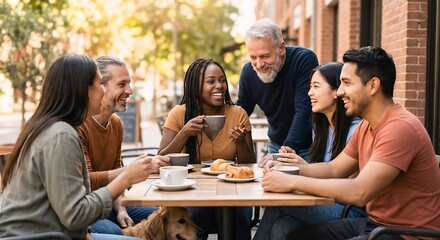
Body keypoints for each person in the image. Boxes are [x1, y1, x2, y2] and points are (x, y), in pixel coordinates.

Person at [261, 46, 440, 240]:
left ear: (373, 85)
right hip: (375, 224)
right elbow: (334, 169)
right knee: (296, 235)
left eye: (346, 83)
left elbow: (360, 191)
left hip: (405, 235)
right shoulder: (367, 126)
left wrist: (292, 181)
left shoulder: (400, 128)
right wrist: (286, 168)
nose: (339, 92)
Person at [0, 54, 154, 239]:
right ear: (84, 90)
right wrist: (126, 177)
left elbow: (70, 212)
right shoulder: (61, 135)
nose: (104, 92)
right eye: (99, 84)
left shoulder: (55, 127)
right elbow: (75, 215)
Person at [253, 62, 367, 240]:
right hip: (326, 202)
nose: (309, 93)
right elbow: (327, 171)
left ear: (336, 91)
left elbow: (347, 182)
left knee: (277, 205)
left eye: (316, 86)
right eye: (309, 87)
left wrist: (299, 174)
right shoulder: (320, 127)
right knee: (282, 226)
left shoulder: (355, 130)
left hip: (349, 210)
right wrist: (301, 165)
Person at [157, 58, 255, 239]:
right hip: (192, 191)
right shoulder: (179, 113)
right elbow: (160, 159)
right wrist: (184, 133)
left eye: (222, 80)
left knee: (239, 216)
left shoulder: (237, 113)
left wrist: (240, 142)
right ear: (195, 86)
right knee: (196, 214)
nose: (219, 86)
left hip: (231, 191)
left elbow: (249, 164)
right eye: (211, 81)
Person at [78, 56, 169, 235]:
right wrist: (129, 172)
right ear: (100, 86)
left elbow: (115, 173)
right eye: (121, 84)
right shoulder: (79, 125)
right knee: (113, 231)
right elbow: (88, 180)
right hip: (85, 208)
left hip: (110, 203)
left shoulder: (116, 124)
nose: (129, 90)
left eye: (129, 84)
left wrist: (121, 209)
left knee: (162, 218)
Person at [236, 17, 319, 161]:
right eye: (253, 57)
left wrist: (284, 151)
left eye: (265, 56)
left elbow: (304, 111)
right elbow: (241, 111)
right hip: (276, 144)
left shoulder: (304, 59)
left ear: (281, 48)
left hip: (309, 147)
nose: (259, 64)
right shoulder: (248, 72)